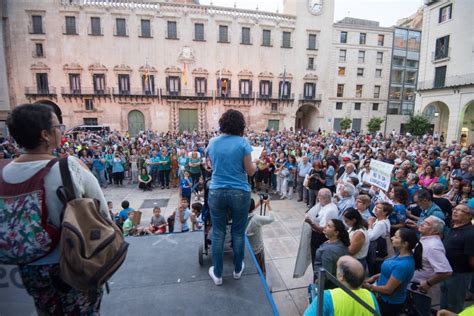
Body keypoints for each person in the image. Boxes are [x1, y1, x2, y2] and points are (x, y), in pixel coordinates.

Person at [2, 103, 110, 314]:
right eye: (58, 125)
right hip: (72, 264)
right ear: (45, 134)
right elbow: (102, 212)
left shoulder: (4, 171)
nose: (61, 129)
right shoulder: (69, 167)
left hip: (29, 266)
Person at [206, 109, 256, 286]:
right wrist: (256, 164)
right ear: (240, 125)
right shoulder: (243, 143)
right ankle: (237, 269)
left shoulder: (212, 142)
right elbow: (250, 171)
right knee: (237, 231)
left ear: (223, 123)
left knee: (218, 232)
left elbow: (211, 167)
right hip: (240, 191)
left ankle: (218, 274)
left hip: (217, 190)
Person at [364, 228, 423, 316]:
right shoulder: (400, 254)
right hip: (382, 297)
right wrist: (374, 277)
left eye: (396, 237)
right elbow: (390, 272)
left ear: (405, 244)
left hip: (389, 303)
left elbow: (388, 290)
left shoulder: (404, 265)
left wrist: (369, 286)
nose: (392, 238)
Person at [304, 256, 380, 316]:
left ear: (341, 276)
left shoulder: (327, 297)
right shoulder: (370, 296)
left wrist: (310, 305)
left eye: (337, 267)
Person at [411, 216, 452, 316]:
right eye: (423, 221)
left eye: (426, 224)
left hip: (421, 291)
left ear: (434, 231)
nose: (421, 223)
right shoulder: (426, 240)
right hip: (413, 287)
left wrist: (428, 283)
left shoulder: (433, 246)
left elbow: (446, 271)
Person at [440, 203, 474, 313]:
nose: (455, 211)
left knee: (453, 304)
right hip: (446, 271)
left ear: (469, 216)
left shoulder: (470, 233)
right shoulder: (453, 227)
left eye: (460, 210)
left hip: (459, 274)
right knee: (444, 300)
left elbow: (472, 258)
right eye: (455, 209)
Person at [302, 189, 339, 273]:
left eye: (319, 197)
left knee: (317, 261)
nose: (318, 198)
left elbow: (322, 230)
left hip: (320, 238)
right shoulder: (325, 206)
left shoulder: (330, 210)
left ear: (325, 198)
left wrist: (310, 222)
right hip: (317, 237)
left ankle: (317, 279)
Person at [313, 219, 350, 287]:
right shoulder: (340, 242)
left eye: (329, 226)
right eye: (326, 224)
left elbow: (326, 274)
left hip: (328, 285)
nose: (325, 227)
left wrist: (318, 283)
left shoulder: (328, 250)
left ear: (336, 232)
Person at [246, 197, 275, 277]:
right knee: (261, 270)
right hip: (257, 250)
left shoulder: (240, 217)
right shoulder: (256, 219)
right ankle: (264, 286)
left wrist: (258, 204)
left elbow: (248, 212)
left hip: (247, 250)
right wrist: (268, 205)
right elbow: (271, 219)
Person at [367, 201, 392, 275]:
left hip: (376, 253)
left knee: (373, 271)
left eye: (379, 208)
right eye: (376, 207)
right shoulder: (382, 220)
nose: (375, 209)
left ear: (385, 213)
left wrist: (370, 225)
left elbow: (371, 237)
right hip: (376, 254)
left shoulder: (381, 224)